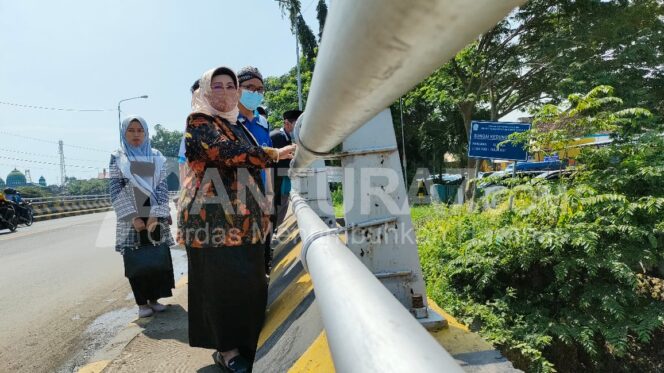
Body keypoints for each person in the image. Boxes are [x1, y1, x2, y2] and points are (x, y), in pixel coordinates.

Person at [178, 66, 294, 372]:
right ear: (204, 91)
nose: (226, 92)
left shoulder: (236, 124)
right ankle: (227, 351)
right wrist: (275, 154)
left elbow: (248, 165)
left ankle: (245, 342)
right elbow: (227, 153)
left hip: (246, 221)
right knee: (220, 286)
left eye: (231, 86)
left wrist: (265, 210)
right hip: (212, 223)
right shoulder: (199, 122)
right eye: (218, 86)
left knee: (249, 282)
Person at [109, 116, 175, 319]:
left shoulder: (156, 156)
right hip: (132, 215)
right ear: (124, 133)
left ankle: (155, 299)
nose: (136, 134)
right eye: (131, 130)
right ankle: (142, 303)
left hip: (154, 211)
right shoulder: (118, 157)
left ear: (146, 133)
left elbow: (163, 187)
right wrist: (132, 217)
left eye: (140, 130)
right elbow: (115, 190)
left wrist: (158, 213)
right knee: (136, 259)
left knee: (157, 255)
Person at [235, 66, 295, 274]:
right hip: (239, 197)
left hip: (262, 196)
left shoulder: (262, 123)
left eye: (260, 89)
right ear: (237, 88)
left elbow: (267, 163)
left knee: (262, 250)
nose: (255, 93)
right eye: (249, 87)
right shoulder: (228, 121)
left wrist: (269, 196)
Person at [270, 109, 301, 230]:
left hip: (282, 183)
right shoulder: (277, 137)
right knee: (277, 213)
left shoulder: (286, 138)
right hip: (277, 185)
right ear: (287, 124)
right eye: (297, 125)